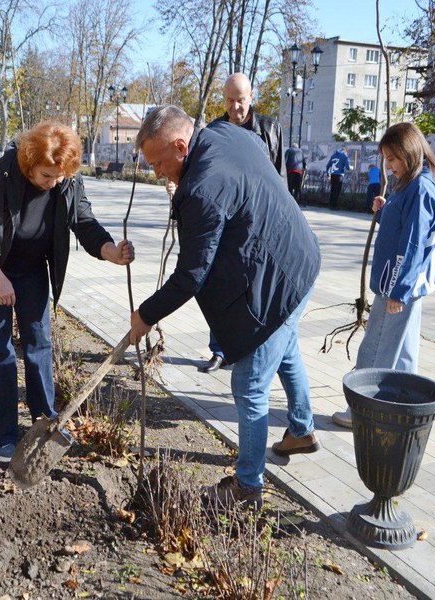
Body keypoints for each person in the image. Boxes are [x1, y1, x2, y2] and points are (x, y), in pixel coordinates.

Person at [130, 106, 321, 508]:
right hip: (301, 260)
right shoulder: (223, 134)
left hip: (278, 279)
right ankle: (301, 431)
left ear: (181, 147)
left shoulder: (201, 188)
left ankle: (248, 486)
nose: (158, 173)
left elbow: (191, 274)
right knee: (286, 348)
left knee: (249, 386)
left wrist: (146, 315)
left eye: (159, 163)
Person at [0, 121, 135, 464]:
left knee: (39, 343)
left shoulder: (66, 178)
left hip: (33, 268)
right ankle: (2, 435)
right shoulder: (2, 176)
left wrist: (110, 251)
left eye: (59, 177)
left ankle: (45, 422)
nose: (53, 183)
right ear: (29, 163)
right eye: (45, 177)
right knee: (0, 349)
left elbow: (83, 220)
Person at [332, 122, 435, 428]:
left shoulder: (420, 187)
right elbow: (402, 225)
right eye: (387, 159)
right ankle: (402, 405)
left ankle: (363, 409)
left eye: (393, 159)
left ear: (409, 154)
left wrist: (399, 290)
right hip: (401, 284)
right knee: (403, 351)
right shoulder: (409, 184)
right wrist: (385, 209)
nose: (389, 166)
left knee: (377, 346)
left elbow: (414, 243)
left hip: (397, 285)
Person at [197, 72, 286, 374]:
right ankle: (219, 349)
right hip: (226, 222)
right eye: (230, 101)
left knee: (256, 286)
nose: (235, 107)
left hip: (261, 222)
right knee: (219, 285)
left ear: (252, 98)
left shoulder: (270, 129)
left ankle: (253, 346)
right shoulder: (215, 131)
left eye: (241, 101)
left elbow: (279, 178)